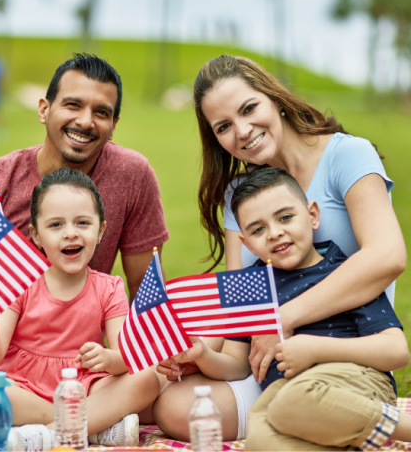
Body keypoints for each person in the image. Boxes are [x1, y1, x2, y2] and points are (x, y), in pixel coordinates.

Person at [153, 53, 406, 440]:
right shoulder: (240, 195)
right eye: (223, 126)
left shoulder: (345, 155)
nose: (242, 130)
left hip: (346, 353)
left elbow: (387, 256)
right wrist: (201, 355)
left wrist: (283, 320)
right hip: (270, 369)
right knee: (175, 405)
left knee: (291, 407)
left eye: (249, 108)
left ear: (275, 98)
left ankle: (358, 422)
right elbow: (241, 311)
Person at [0, 53, 169, 433]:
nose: (85, 121)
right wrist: (10, 272)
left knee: (155, 379)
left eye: (101, 112)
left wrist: (127, 357)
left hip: (77, 341)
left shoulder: (132, 175)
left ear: (114, 124)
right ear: (44, 109)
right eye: (72, 104)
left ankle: (68, 422)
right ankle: (84, 423)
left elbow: (145, 291)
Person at [167, 167, 409, 451]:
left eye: (285, 217)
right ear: (247, 244)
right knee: (260, 440)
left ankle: (401, 428)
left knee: (290, 402)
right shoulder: (250, 287)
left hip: (352, 382)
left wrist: (314, 349)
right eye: (258, 229)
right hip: (285, 395)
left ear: (313, 215)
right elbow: (237, 364)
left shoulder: (344, 275)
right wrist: (203, 354)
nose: (275, 233)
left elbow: (396, 352)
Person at [0, 168, 160, 451]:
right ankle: (90, 427)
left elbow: (126, 357)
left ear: (101, 230)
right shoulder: (22, 284)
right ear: (36, 234)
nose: (70, 233)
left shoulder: (109, 288)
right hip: (27, 387)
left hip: (83, 384)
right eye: (56, 225)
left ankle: (46, 435)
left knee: (147, 379)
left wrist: (109, 359)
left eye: (82, 222)